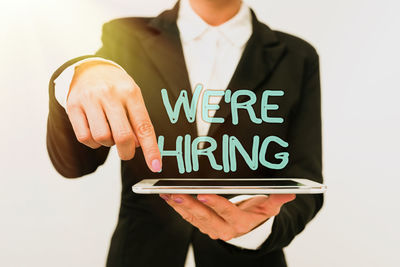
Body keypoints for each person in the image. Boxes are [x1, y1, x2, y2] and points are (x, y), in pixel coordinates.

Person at [46, 0, 323, 266]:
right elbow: (75, 164)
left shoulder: (297, 56)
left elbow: (306, 181)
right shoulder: (126, 37)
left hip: (249, 259)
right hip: (140, 256)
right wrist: (75, 76)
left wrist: (258, 227)